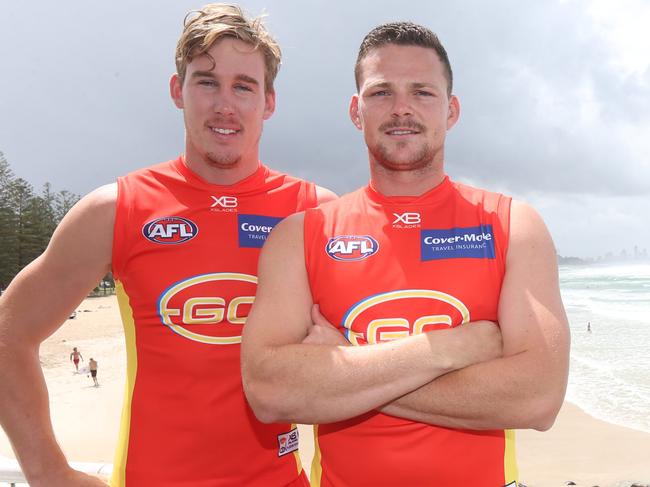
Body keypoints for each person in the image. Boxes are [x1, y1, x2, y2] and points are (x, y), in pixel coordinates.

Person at [0, 4, 334, 487]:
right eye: (207, 81)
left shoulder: (314, 213)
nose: (225, 103)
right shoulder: (117, 209)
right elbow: (10, 333)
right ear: (178, 90)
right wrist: (47, 470)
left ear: (269, 102)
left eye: (244, 86)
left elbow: (362, 362)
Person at [241, 22, 570, 486]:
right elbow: (269, 391)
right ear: (356, 111)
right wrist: (452, 349)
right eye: (380, 93)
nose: (401, 109)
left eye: (422, 93)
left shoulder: (512, 225)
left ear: (451, 110)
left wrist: (347, 368)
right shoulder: (301, 235)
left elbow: (537, 398)